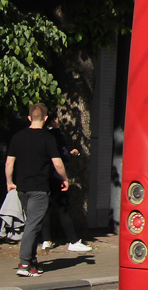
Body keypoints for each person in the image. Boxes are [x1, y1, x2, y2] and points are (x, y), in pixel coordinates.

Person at [5, 103, 69, 277]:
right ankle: (24, 263)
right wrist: (64, 179)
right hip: (39, 188)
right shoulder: (48, 138)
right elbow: (57, 163)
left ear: (29, 118)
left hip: (22, 188)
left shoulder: (18, 137)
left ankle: (33, 262)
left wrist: (9, 182)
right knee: (32, 225)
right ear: (46, 118)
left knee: (34, 223)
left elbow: (9, 162)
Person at [40, 114, 90, 252]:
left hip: (43, 176)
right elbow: (62, 155)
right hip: (56, 175)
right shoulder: (57, 134)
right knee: (63, 209)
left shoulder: (40, 135)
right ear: (52, 120)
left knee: (45, 209)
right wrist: (71, 154)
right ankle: (72, 240)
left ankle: (46, 239)